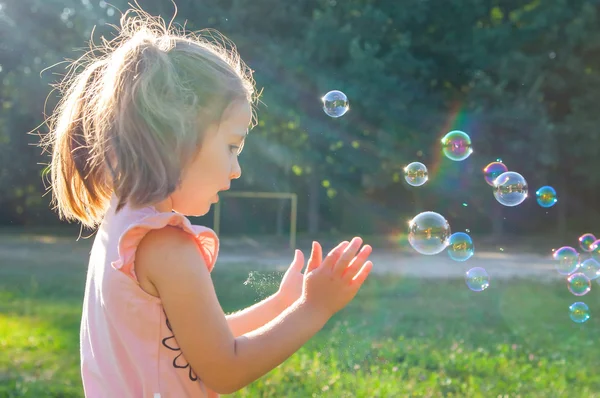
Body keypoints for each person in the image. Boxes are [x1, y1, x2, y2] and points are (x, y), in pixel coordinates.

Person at [40, 6, 373, 397]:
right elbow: (224, 369)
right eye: (232, 147)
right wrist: (315, 308)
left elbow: (194, 340)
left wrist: (283, 304)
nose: (236, 170)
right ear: (175, 139)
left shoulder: (124, 226)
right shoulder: (166, 245)